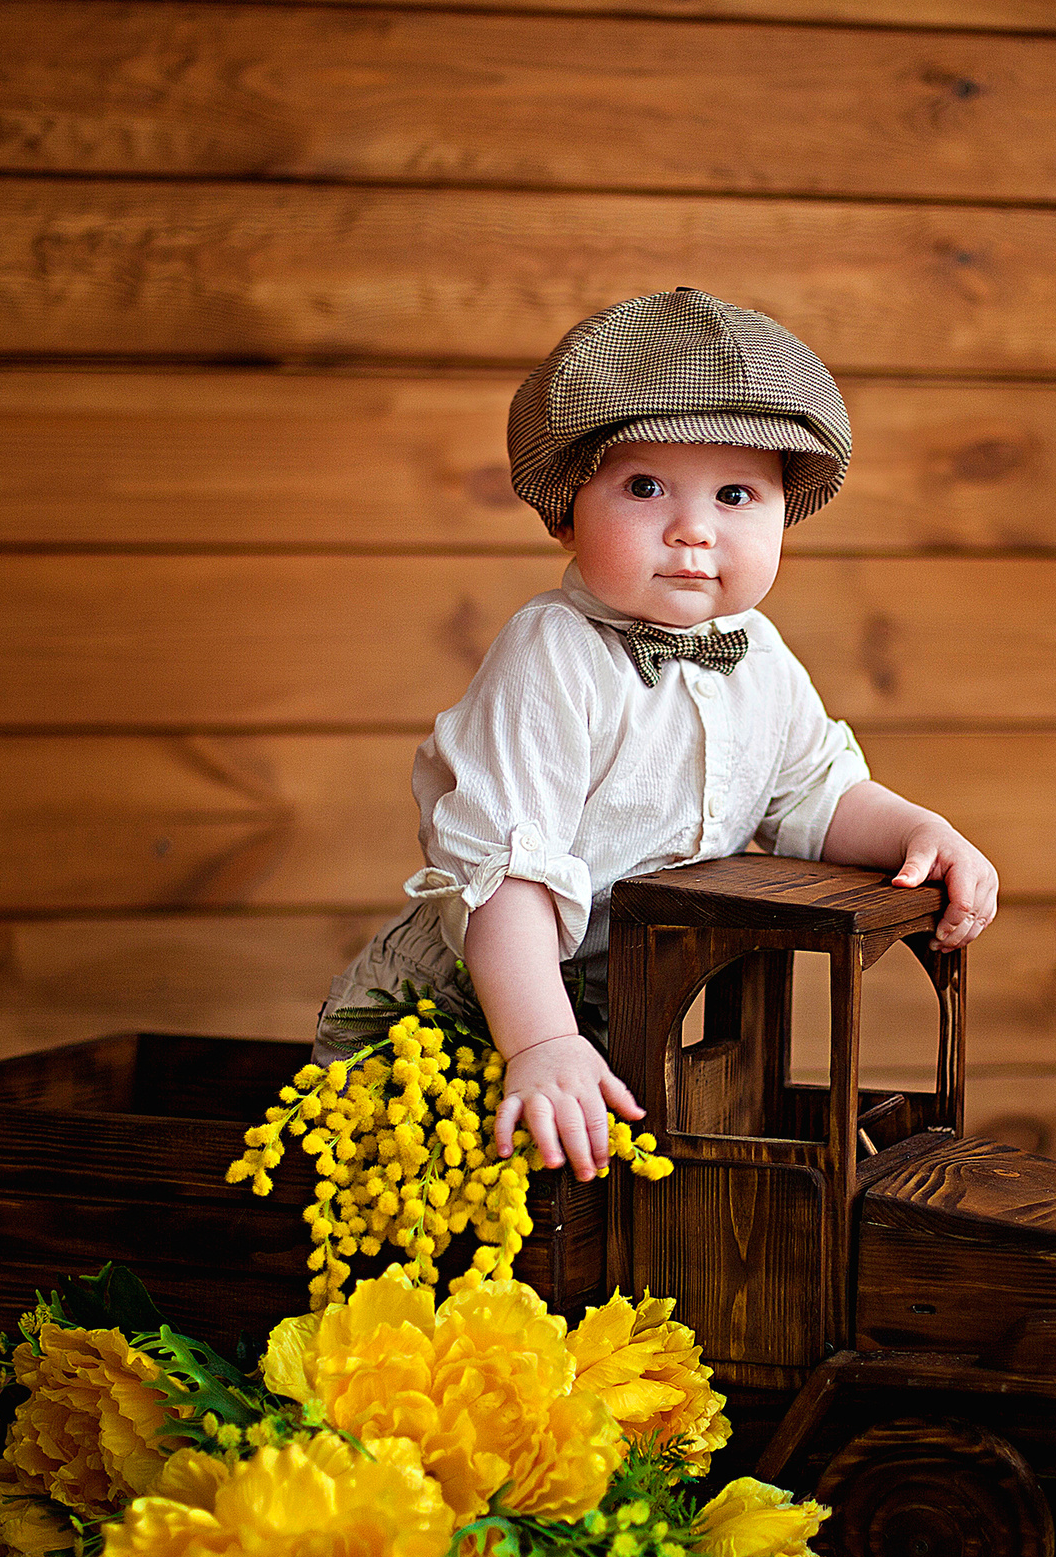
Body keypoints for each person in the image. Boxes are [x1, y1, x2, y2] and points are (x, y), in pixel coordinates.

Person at [313, 286, 999, 1183]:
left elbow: (816, 796)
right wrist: (542, 1042)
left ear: (785, 514)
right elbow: (504, 874)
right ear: (565, 510)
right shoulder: (553, 654)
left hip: (629, 1015)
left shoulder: (759, 656)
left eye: (736, 494)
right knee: (456, 1195)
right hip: (470, 1010)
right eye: (645, 487)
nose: (693, 529)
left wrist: (919, 832)